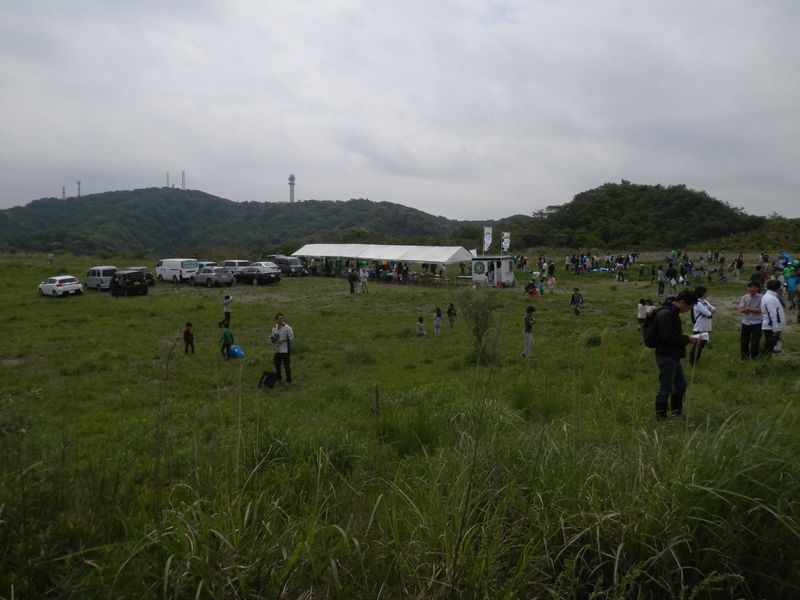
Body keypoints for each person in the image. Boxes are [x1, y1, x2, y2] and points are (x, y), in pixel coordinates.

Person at [652, 290, 700, 420]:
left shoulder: (672, 312)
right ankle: (661, 418)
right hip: (666, 355)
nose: (689, 310)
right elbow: (668, 337)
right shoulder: (666, 315)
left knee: (680, 385)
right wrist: (688, 339)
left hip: (673, 355)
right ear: (683, 302)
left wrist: (685, 338)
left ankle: (676, 413)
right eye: (689, 307)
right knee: (666, 387)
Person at [689, 286, 716, 365]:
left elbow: (714, 309)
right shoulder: (698, 303)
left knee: (701, 346)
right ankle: (693, 361)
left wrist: (709, 312)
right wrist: (709, 312)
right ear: (702, 293)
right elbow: (709, 313)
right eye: (705, 292)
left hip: (706, 328)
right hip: (699, 328)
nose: (706, 293)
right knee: (697, 346)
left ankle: (697, 359)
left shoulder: (705, 302)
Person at [760, 279, 786, 358]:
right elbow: (773, 315)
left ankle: (765, 361)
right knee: (769, 347)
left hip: (772, 326)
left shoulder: (770, 296)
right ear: (778, 288)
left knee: (771, 346)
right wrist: (775, 329)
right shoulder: (771, 298)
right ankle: (762, 361)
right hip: (771, 327)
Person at [738, 282, 763, 359]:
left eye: (754, 287)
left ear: (758, 289)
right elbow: (741, 309)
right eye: (750, 287)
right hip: (746, 322)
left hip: (757, 322)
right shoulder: (744, 297)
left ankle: (754, 357)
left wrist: (748, 309)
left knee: (755, 341)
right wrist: (752, 309)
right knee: (744, 341)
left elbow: (761, 310)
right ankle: (744, 357)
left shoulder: (762, 297)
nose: (752, 289)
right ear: (748, 288)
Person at [270, 313, 294, 384]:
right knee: (277, 365)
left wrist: (283, 340)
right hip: (277, 350)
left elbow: (292, 338)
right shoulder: (274, 328)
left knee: (287, 365)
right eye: (279, 318)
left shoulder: (288, 328)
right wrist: (273, 340)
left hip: (285, 350)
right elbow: (272, 337)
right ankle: (278, 378)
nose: (281, 320)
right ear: (276, 320)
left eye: (282, 318)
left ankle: (289, 380)